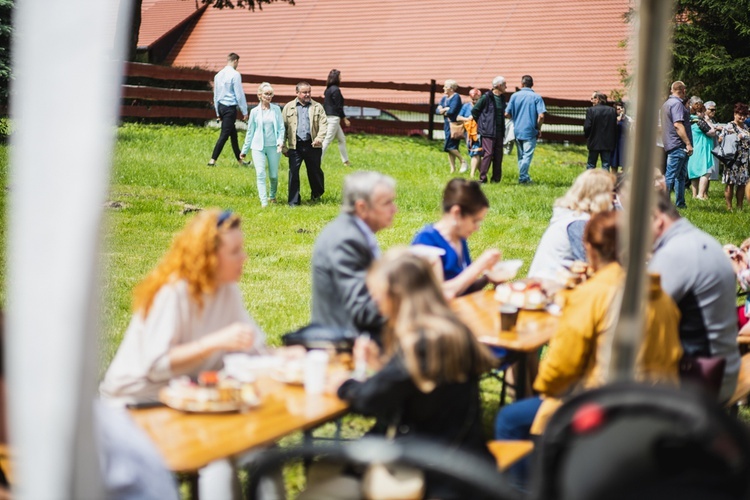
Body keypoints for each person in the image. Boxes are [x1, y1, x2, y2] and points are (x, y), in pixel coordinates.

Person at [100, 209, 267, 499]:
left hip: (188, 400)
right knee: (218, 456)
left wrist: (284, 358)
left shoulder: (227, 290)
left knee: (264, 446)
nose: (244, 257)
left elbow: (254, 348)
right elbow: (157, 364)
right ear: (209, 256)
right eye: (235, 251)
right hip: (136, 407)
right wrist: (215, 342)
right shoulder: (174, 292)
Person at [495, 210, 682, 441]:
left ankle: (533, 476)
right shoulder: (660, 296)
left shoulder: (592, 295)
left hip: (603, 406)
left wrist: (541, 389)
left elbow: (562, 367)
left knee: (509, 419)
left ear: (590, 249)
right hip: (656, 404)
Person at [333, 249, 497, 499]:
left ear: (396, 296)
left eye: (379, 296)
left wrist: (344, 384)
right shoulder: (452, 329)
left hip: (437, 472)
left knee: (333, 471)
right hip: (468, 457)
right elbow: (412, 389)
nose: (376, 303)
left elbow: (370, 399)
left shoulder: (420, 342)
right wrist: (383, 366)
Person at [649, 191, 740, 403]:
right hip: (724, 368)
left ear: (657, 219)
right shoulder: (700, 240)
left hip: (700, 379)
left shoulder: (675, 254)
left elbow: (641, 313)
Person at [311, 172, 397, 339]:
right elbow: (363, 310)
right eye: (387, 203)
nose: (395, 209)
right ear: (362, 208)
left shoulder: (355, 232)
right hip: (348, 345)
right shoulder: (346, 240)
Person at [411, 178, 501, 299]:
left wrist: (488, 278)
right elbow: (438, 296)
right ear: (456, 213)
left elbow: (464, 288)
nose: (476, 228)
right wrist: (479, 266)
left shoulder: (459, 239)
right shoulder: (426, 242)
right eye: (475, 221)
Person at [527, 169, 614, 278]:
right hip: (551, 287)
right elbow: (589, 264)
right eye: (611, 192)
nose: (613, 199)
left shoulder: (569, 216)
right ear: (601, 196)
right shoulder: (579, 223)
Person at [282, 82, 328, 206]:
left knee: (315, 171)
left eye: (309, 92)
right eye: (304, 92)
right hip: (295, 145)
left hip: (312, 145)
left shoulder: (317, 107)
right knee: (294, 172)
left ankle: (317, 195)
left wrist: (319, 138)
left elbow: (324, 125)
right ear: (297, 93)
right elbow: (283, 128)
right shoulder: (288, 107)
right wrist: (283, 146)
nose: (307, 94)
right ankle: (294, 201)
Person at [240, 83, 285, 207]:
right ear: (260, 95)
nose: (268, 96)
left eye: (270, 94)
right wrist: (244, 150)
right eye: (266, 94)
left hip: (273, 146)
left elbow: (281, 128)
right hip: (257, 147)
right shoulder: (254, 111)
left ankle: (272, 195)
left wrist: (280, 142)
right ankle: (264, 202)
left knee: (273, 175)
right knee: (260, 173)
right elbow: (250, 131)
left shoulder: (276, 109)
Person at [208, 53, 248, 167]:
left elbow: (215, 95)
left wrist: (217, 112)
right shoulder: (235, 75)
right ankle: (212, 160)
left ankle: (240, 161)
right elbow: (239, 94)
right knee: (225, 134)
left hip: (220, 106)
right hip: (230, 107)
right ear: (235, 61)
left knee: (233, 135)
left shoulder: (218, 75)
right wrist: (244, 111)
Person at [505, 75, 546, 185]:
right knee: (527, 155)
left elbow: (506, 113)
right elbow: (541, 116)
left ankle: (524, 176)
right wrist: (538, 127)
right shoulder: (537, 97)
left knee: (521, 155)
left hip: (517, 130)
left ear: (522, 84)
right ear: (532, 84)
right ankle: (523, 178)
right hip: (530, 130)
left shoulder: (514, 96)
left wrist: (515, 118)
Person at [660, 81, 693, 208]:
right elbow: (678, 125)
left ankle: (680, 203)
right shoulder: (677, 104)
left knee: (680, 176)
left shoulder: (666, 104)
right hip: (678, 145)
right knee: (671, 176)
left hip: (670, 143)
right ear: (683, 90)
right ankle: (664, 204)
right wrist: (688, 143)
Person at [471, 76, 506, 183]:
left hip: (499, 131)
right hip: (488, 131)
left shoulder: (502, 98)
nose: (506, 87)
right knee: (488, 154)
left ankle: (496, 179)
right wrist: (483, 124)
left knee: (498, 155)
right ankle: (482, 178)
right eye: (504, 84)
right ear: (499, 86)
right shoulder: (486, 97)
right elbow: (475, 111)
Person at [718, 102, 750, 211]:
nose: (742, 117)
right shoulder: (729, 126)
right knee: (730, 183)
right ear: (735, 114)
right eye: (739, 114)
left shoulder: (745, 127)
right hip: (732, 159)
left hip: (744, 159)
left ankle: (739, 207)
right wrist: (735, 137)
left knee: (742, 184)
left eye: (744, 115)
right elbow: (720, 139)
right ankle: (729, 207)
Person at [687, 100, 718, 201]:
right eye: (703, 111)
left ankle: (694, 195)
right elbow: (712, 132)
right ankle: (700, 195)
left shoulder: (690, 120)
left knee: (694, 173)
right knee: (706, 172)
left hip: (694, 148)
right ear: (699, 112)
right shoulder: (700, 122)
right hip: (702, 149)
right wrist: (708, 121)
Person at [436, 79, 468, 174]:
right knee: (451, 147)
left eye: (445, 86)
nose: (443, 88)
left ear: (451, 88)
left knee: (449, 146)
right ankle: (452, 169)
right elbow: (437, 110)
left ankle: (463, 161)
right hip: (447, 124)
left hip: (454, 125)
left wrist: (444, 109)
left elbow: (452, 111)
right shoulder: (444, 98)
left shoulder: (456, 97)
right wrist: (444, 109)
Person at [322, 69, 351, 167]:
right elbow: (339, 106)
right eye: (340, 76)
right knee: (327, 139)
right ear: (336, 78)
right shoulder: (336, 90)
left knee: (341, 139)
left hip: (329, 116)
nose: (341, 78)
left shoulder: (327, 90)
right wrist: (345, 118)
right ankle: (317, 161)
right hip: (334, 118)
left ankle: (346, 161)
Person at [584, 91, 618, 171]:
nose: (592, 101)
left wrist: (588, 136)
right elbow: (614, 127)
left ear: (598, 99)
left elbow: (587, 126)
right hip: (607, 142)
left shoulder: (591, 110)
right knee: (606, 165)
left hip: (594, 141)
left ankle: (589, 182)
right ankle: (605, 182)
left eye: (594, 98)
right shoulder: (612, 111)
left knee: (591, 164)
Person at [456, 88, 483, 178]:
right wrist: (467, 119)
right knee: (473, 153)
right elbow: (458, 117)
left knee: (476, 152)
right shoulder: (466, 106)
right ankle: (483, 174)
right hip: (468, 133)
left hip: (479, 132)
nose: (475, 101)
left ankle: (472, 174)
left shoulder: (483, 107)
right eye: (473, 99)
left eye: (477, 99)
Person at [610, 101, 632, 172]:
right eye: (618, 109)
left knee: (625, 165)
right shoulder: (613, 119)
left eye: (622, 108)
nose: (621, 110)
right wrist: (616, 121)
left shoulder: (628, 119)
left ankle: (623, 180)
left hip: (624, 143)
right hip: (615, 144)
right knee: (614, 165)